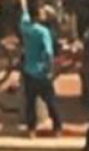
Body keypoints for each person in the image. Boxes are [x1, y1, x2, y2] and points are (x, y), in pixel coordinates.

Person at [20, 7, 63, 138]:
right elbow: (49, 53)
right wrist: (50, 70)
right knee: (51, 101)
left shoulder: (25, 27)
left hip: (28, 70)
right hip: (42, 71)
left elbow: (24, 14)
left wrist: (26, 5)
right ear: (39, 17)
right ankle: (57, 127)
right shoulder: (43, 32)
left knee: (30, 102)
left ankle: (31, 130)